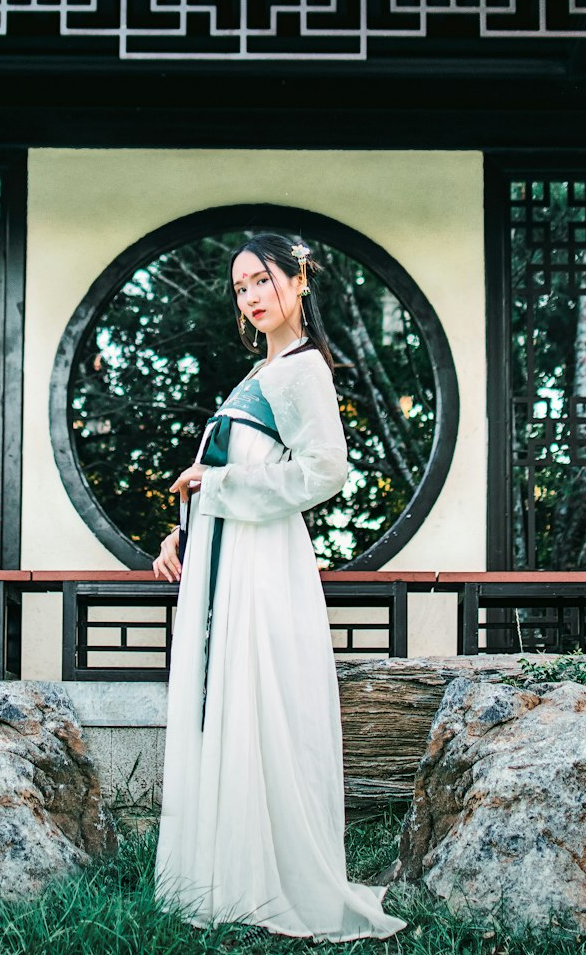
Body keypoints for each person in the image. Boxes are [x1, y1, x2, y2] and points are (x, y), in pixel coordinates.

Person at [152, 231, 407, 942]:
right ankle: (226, 873)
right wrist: (182, 532)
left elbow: (325, 471)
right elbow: (224, 466)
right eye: (241, 288)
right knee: (232, 699)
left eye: (262, 280)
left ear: (299, 281)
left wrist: (222, 484)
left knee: (259, 698)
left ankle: (268, 876)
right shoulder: (256, 377)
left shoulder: (303, 372)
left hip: (264, 568)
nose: (252, 297)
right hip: (225, 558)